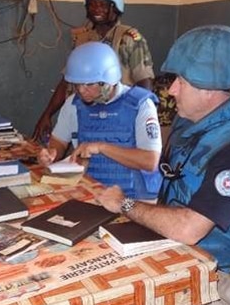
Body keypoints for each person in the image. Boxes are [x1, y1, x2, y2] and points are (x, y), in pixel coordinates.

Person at [95, 25, 230, 305]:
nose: (171, 90)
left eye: (181, 82)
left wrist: (126, 204)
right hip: (195, 250)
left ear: (212, 89)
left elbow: (187, 228)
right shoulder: (194, 119)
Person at [32, 0, 155, 142]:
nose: (96, 9)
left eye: (103, 4)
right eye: (92, 4)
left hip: (118, 114)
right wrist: (47, 115)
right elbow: (66, 82)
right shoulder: (83, 39)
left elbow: (144, 83)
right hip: (86, 114)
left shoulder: (129, 39)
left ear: (115, 7)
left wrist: (139, 117)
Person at [37, 41, 162, 200]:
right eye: (77, 84)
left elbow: (150, 161)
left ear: (108, 81)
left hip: (134, 200)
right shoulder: (74, 104)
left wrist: (102, 147)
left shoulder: (140, 105)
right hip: (91, 193)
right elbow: (59, 143)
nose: (82, 90)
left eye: (89, 84)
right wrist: (51, 154)